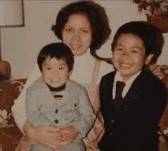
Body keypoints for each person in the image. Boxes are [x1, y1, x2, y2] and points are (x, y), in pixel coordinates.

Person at [12, 1, 114, 150]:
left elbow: (120, 115)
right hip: (39, 142)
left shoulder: (105, 70)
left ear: (94, 33)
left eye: (84, 31)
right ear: (61, 31)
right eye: (69, 29)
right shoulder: (45, 63)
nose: (75, 37)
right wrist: (32, 132)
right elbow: (19, 106)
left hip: (81, 144)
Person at [98, 21, 167, 151]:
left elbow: (143, 132)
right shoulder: (106, 81)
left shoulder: (154, 89)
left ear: (147, 58)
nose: (125, 56)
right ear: (112, 51)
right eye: (120, 49)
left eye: (134, 51)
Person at [25, 42, 95, 151]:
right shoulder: (32, 90)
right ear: (41, 71)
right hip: (43, 139)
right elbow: (32, 113)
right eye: (49, 69)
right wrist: (52, 132)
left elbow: (88, 115)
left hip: (71, 139)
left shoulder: (79, 90)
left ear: (70, 71)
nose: (54, 74)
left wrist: (75, 129)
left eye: (60, 68)